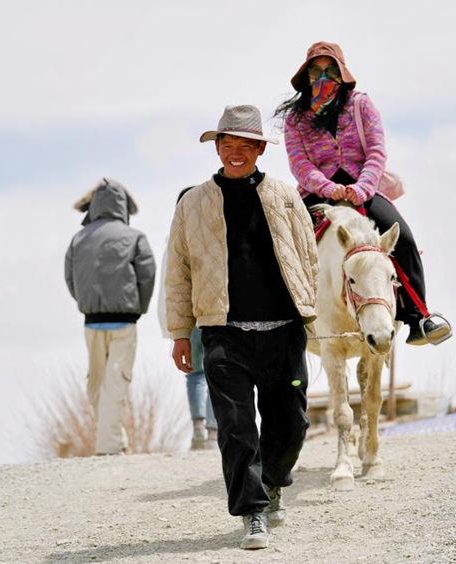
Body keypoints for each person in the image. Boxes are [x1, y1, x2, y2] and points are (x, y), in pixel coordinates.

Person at [164, 104, 319, 550]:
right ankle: (252, 512)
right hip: (223, 332)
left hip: (283, 329)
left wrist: (311, 311)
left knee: (292, 423)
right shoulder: (192, 202)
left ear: (259, 150)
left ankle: (272, 483)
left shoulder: (286, 195)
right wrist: (180, 332)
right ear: (216, 148)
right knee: (235, 427)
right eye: (226, 145)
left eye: (244, 146)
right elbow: (178, 271)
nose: (235, 153)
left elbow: (307, 256)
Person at [275, 41, 452, 346]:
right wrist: (328, 188)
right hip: (318, 192)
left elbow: (376, 151)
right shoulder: (295, 118)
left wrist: (361, 188)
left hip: (364, 189)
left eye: (329, 69)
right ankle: (280, 319)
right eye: (315, 71)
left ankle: (418, 317)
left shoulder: (361, 105)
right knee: (282, 246)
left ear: (342, 72)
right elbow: (299, 163)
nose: (322, 76)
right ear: (306, 76)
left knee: (405, 238)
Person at [65, 177, 156, 455]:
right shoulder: (134, 237)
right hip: (124, 320)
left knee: (97, 382)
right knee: (117, 381)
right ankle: (111, 446)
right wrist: (138, 308)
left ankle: (116, 441)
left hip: (91, 322)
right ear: (123, 206)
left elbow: (70, 278)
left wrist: (86, 303)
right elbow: (147, 276)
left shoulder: (78, 238)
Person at [157, 188, 218, 450]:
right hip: (212, 313)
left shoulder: (171, 241)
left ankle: (198, 426)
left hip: (188, 316)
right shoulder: (212, 234)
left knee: (195, 373)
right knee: (216, 372)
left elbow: (167, 287)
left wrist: (171, 326)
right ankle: (214, 430)